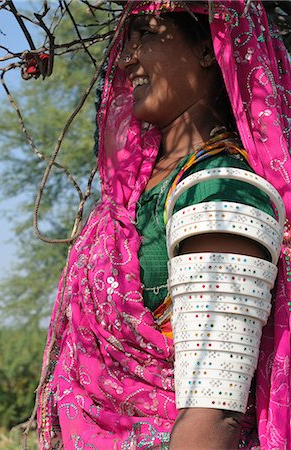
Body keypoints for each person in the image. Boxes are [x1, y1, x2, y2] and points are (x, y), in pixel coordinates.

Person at [37, 1, 291, 449]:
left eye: (148, 34)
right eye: (128, 40)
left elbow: (214, 414)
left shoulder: (219, 192)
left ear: (211, 49)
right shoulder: (129, 199)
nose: (128, 57)